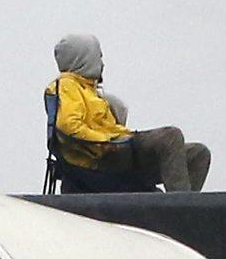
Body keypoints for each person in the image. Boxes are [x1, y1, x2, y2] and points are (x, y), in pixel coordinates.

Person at [48, 33, 210, 192]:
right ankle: (180, 207)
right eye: (99, 57)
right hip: (110, 157)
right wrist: (108, 142)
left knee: (198, 155)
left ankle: (181, 208)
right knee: (170, 137)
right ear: (83, 58)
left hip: (121, 153)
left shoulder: (88, 90)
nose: (102, 64)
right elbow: (68, 126)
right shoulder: (67, 85)